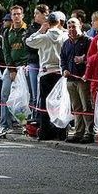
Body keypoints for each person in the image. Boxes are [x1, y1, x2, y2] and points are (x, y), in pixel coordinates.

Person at [25, 11, 68, 140]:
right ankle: (61, 132)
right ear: (60, 22)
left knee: (44, 103)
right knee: (60, 102)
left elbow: (28, 41)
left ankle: (45, 132)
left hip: (46, 72)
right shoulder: (64, 36)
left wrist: (40, 31)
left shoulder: (44, 37)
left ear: (48, 23)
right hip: (60, 73)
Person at [61, 17, 93, 143]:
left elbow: (92, 58)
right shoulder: (66, 43)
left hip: (82, 79)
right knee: (76, 107)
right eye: (69, 27)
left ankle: (89, 132)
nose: (71, 29)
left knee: (86, 106)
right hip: (70, 79)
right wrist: (64, 69)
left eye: (74, 26)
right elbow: (63, 59)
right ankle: (78, 132)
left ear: (80, 26)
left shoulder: (87, 41)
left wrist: (84, 60)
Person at [0, 5, 28, 137]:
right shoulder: (6, 32)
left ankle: (26, 124)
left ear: (22, 15)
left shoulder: (27, 30)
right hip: (12, 67)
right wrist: (11, 69)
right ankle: (5, 125)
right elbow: (6, 51)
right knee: (5, 94)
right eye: (14, 14)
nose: (16, 16)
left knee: (25, 97)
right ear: (11, 16)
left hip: (25, 67)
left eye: (18, 14)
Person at [25, 4, 49, 112]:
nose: (35, 16)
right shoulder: (32, 28)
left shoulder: (52, 27)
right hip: (34, 62)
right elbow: (28, 45)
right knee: (34, 93)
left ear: (45, 14)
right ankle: (35, 117)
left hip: (47, 63)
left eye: (37, 13)